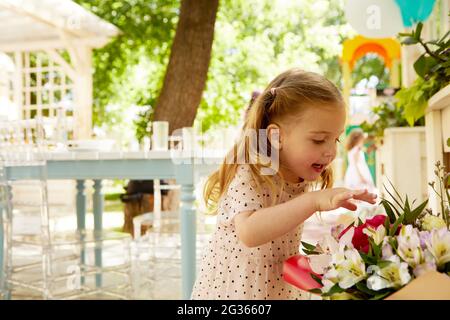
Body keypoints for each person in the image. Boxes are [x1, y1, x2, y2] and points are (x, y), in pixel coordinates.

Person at [191, 69, 377, 300]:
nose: (331, 151)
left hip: (278, 285)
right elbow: (249, 232)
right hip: (238, 289)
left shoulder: (297, 173)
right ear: (276, 137)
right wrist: (312, 202)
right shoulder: (251, 171)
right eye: (318, 139)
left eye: (336, 138)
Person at [344, 128, 376, 193]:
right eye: (362, 138)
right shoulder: (357, 149)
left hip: (352, 172)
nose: (363, 140)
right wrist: (361, 177)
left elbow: (366, 150)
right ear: (358, 139)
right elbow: (356, 164)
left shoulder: (352, 149)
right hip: (358, 172)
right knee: (364, 190)